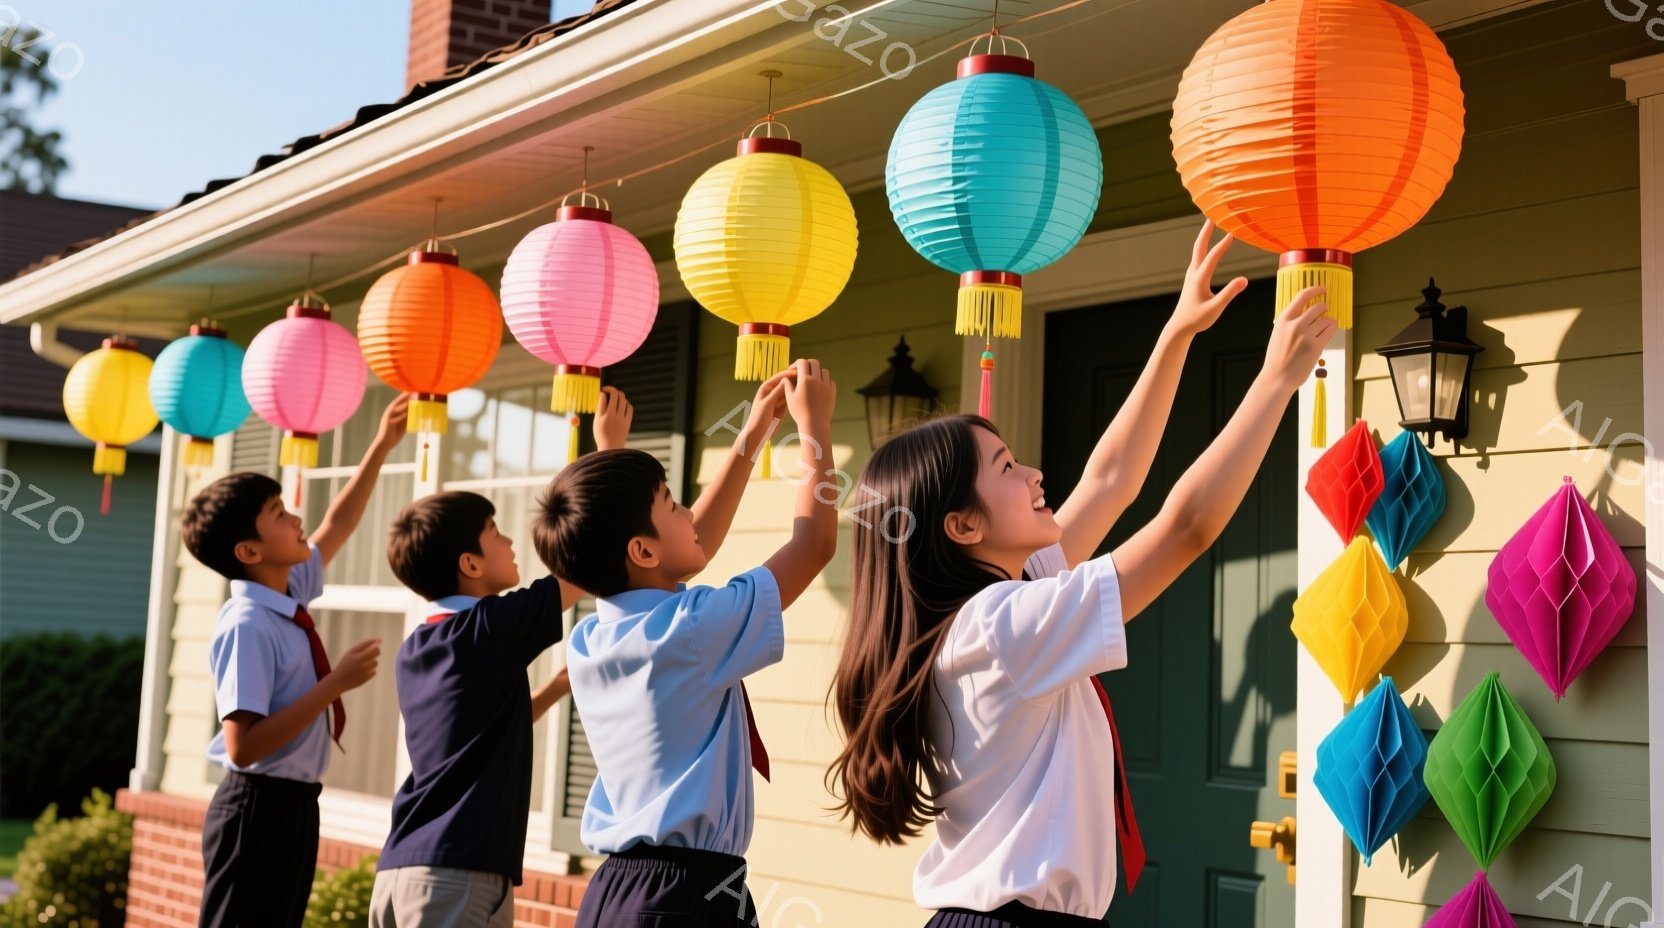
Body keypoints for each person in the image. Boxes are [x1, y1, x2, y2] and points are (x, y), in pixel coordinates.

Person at [829, 226, 1335, 927]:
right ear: (962, 526)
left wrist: (1176, 334)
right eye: (1007, 468)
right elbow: (1185, 530)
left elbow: (1111, 478)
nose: (1035, 474)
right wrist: (1276, 380)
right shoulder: (1002, 627)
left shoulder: (1002, 606)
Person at [535, 360, 837, 927]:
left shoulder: (592, 636)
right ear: (642, 551)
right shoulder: (690, 628)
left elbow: (688, 544)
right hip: (685, 896)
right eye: (673, 504)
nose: (687, 514)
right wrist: (815, 426)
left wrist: (752, 436)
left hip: (620, 891)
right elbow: (815, 544)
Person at [369, 386, 637, 927]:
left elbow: (472, 734)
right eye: (494, 532)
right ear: (470, 563)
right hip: (456, 874)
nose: (510, 540)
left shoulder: (421, 645)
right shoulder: (485, 628)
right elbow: (581, 561)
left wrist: (552, 692)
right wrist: (607, 454)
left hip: (404, 870)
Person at [183, 393, 410, 928]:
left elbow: (338, 524)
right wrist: (334, 685)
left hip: (295, 805)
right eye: (279, 515)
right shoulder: (249, 624)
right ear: (249, 552)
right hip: (255, 809)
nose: (296, 519)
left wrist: (381, 445)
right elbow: (244, 746)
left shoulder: (288, 597)